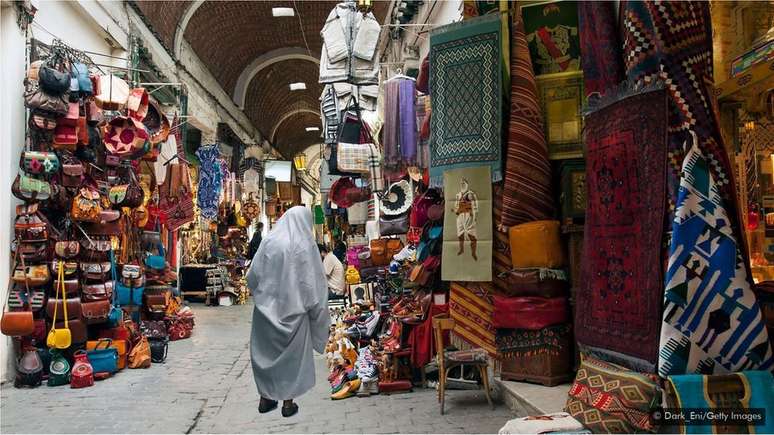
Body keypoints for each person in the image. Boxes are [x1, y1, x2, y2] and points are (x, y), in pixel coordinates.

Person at [246, 207, 330, 417]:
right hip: (294, 314)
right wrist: (317, 313)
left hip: (265, 314)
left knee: (266, 357)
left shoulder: (270, 241)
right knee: (291, 361)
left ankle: (265, 399)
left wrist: (264, 296)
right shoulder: (304, 245)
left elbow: (252, 276)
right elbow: (313, 284)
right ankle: (287, 404)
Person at [452, 178, 479, 260]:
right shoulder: (458, 195)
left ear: (467, 184)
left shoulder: (471, 194)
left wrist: (474, 217)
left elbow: (475, 206)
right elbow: (456, 205)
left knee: (472, 235)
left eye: (464, 183)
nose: (462, 184)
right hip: (460, 217)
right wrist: (456, 210)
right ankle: (461, 249)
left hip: (469, 216)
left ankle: (474, 253)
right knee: (460, 234)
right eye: (461, 183)